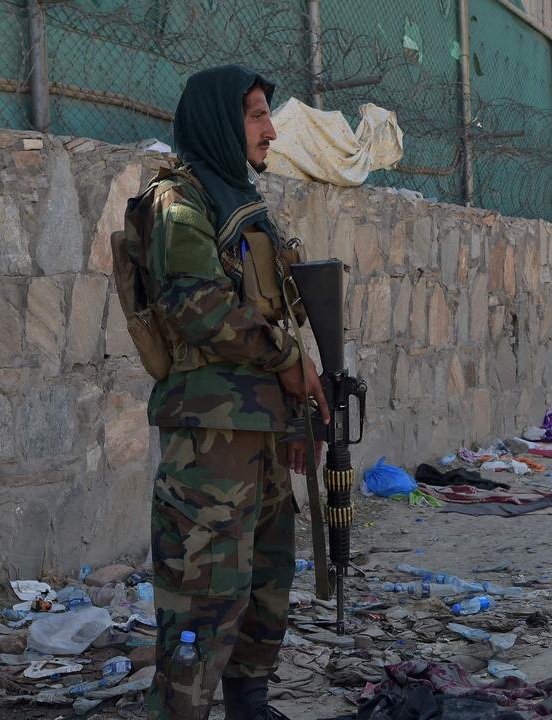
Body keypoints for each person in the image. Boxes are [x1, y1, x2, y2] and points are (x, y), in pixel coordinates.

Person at [139, 65, 330, 720]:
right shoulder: (179, 204)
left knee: (266, 587)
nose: (270, 130)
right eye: (255, 115)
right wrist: (286, 363)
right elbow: (203, 312)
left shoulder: (239, 204)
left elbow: (275, 313)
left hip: (262, 436)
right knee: (203, 603)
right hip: (211, 446)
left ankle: (249, 706)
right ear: (221, 121)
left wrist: (297, 404)